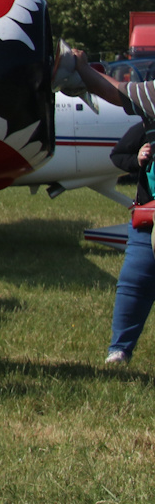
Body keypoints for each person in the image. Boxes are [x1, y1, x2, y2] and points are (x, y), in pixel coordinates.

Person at [105, 121, 154, 364]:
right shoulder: (148, 126)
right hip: (148, 220)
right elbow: (118, 155)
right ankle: (119, 350)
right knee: (134, 282)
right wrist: (138, 159)